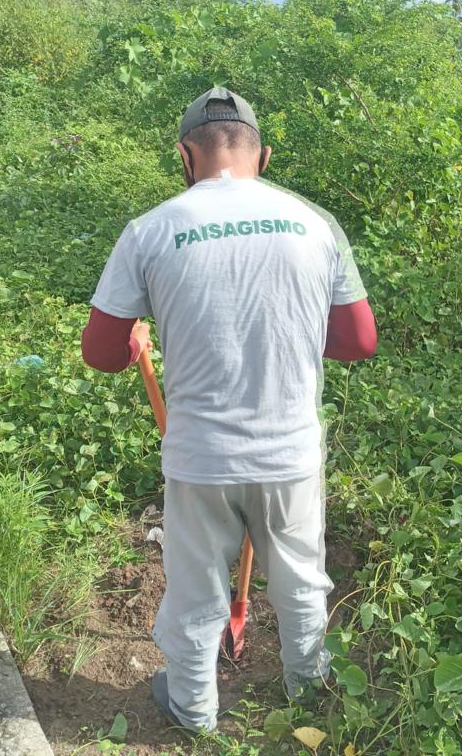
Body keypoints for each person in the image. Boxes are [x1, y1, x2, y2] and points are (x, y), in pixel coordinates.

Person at [80, 87, 377, 732]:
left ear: (186, 156)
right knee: (301, 581)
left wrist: (134, 338)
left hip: (201, 458)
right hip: (289, 452)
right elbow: (358, 341)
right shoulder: (315, 224)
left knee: (194, 592)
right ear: (261, 156)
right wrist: (295, 328)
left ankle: (194, 713)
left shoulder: (151, 229)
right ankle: (309, 700)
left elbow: (101, 353)